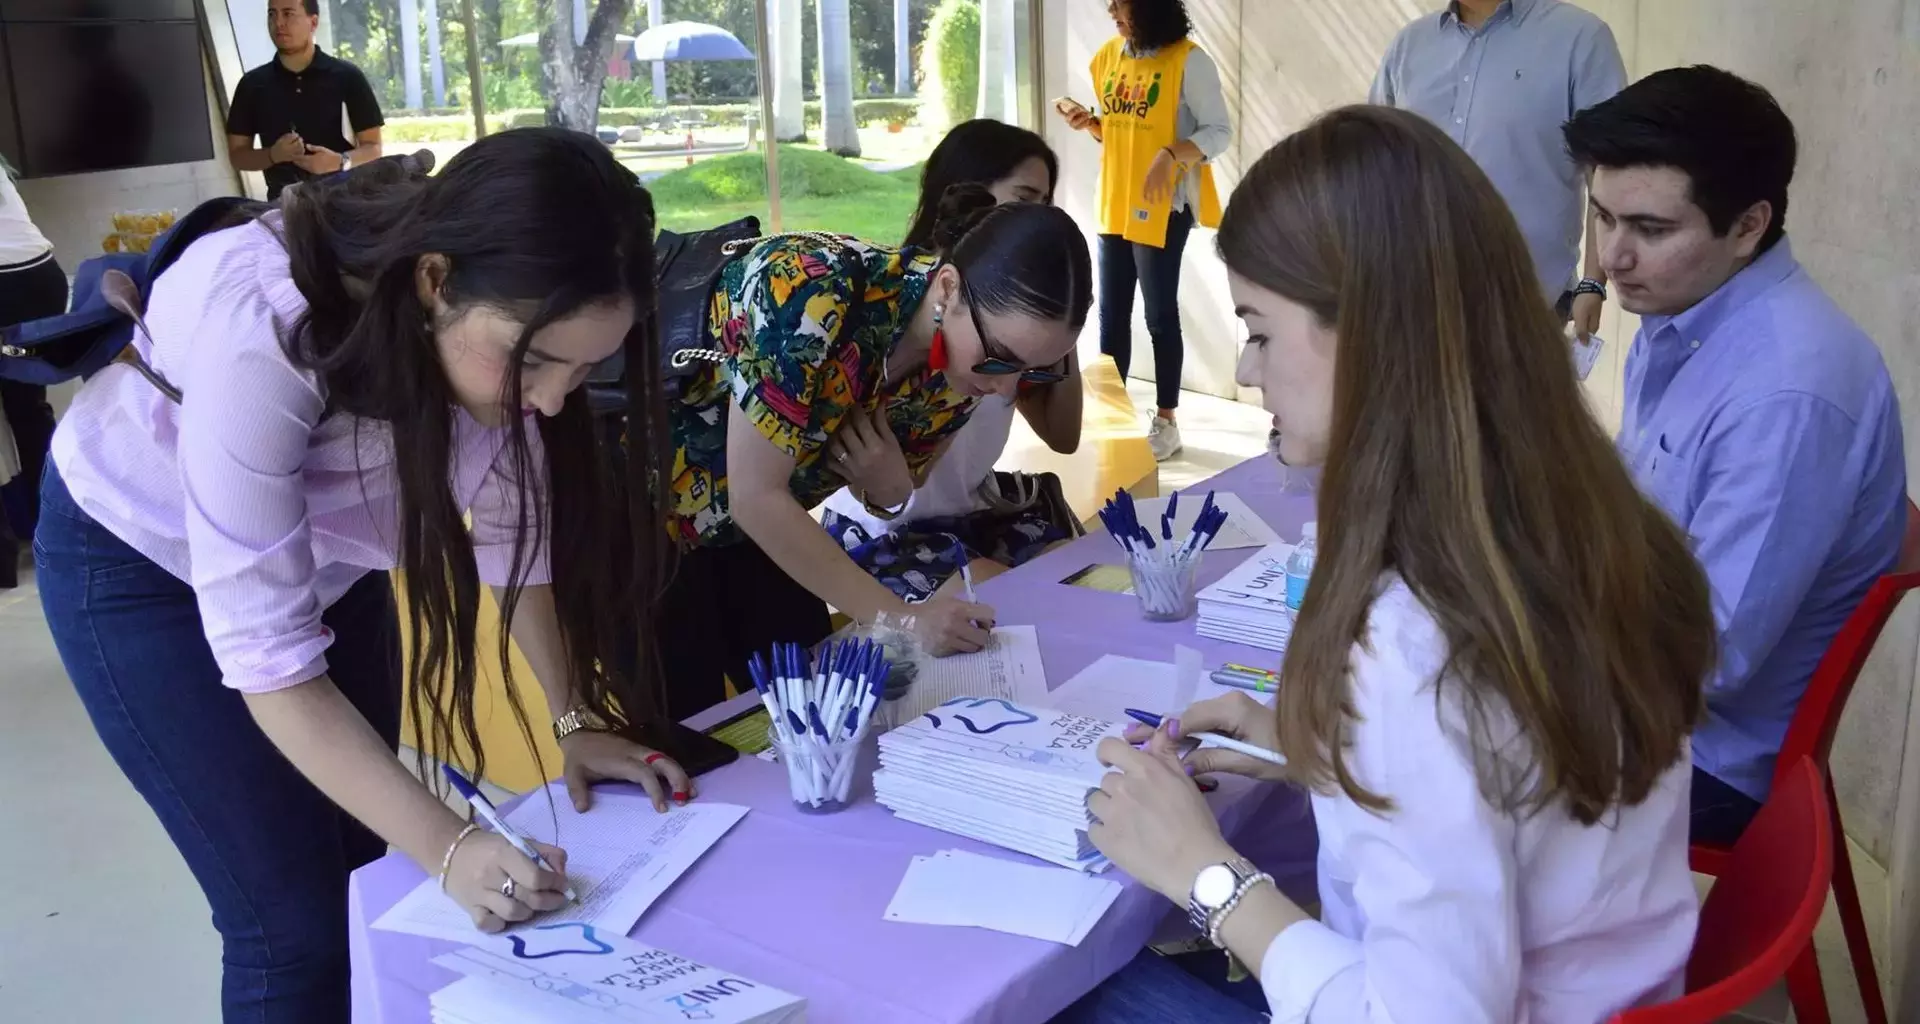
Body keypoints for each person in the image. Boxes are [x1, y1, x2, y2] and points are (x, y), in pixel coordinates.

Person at [1055, 106, 1715, 1023]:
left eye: (1259, 329)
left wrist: (1206, 876)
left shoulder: (1415, 638)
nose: (1247, 373)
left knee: (1070, 987)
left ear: (1364, 333)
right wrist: (1315, 748)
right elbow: (1502, 779)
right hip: (1600, 988)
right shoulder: (1579, 521)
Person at [35, 130, 692, 1021]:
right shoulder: (268, 328)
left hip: (326, 564)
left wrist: (571, 715)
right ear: (433, 280)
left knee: (367, 875)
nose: (548, 401)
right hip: (139, 564)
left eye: (583, 369)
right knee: (292, 929)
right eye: (535, 361)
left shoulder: (501, 340)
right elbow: (271, 660)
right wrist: (452, 845)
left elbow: (512, 540)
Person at [1564, 66, 1907, 845]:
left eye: (1650, 230)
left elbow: (1702, 661)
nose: (1613, 258)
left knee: (1403, 759)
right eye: (1602, 216)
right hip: (1639, 683)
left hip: (1703, 758)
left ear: (1748, 226)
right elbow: (1628, 525)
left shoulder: (1788, 393)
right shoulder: (1685, 314)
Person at [657, 187, 1093, 719]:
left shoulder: (959, 372)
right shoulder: (809, 289)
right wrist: (904, 618)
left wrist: (891, 492)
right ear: (949, 288)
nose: (1007, 390)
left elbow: (888, 489)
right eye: (1001, 359)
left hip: (756, 537)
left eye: (1037, 371)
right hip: (646, 531)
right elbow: (756, 496)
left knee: (815, 719)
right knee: (688, 740)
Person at [820, 120, 1082, 602]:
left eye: (1046, 205)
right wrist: (891, 488)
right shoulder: (900, 316)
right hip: (887, 531)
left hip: (971, 517)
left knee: (1080, 575)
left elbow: (1064, 436)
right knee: (1003, 594)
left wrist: (1057, 315)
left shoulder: (1006, 325)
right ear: (962, 192)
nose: (1037, 220)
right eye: (1024, 199)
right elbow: (855, 474)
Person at [1370, 0, 1625, 339]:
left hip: (1525, 311)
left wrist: (1594, 282)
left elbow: (1609, 169)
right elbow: (1371, 165)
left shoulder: (1579, 38)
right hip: (1412, 304)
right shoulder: (1410, 46)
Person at [1058, 0, 1229, 462]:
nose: (1111, 9)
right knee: (1112, 317)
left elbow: (1219, 131)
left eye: (1121, 2)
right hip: (1115, 202)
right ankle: (1114, 419)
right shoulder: (1109, 57)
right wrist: (1092, 123)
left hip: (1163, 207)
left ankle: (1167, 422)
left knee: (1158, 316)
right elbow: (1119, 128)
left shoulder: (1188, 62)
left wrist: (1172, 154)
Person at [227, 0, 384, 201]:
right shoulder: (252, 85)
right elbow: (238, 156)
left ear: (313, 22)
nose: (279, 23)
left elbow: (374, 147)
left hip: (346, 206)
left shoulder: (348, 77)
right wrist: (272, 155)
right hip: (283, 211)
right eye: (272, 14)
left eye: (288, 14)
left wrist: (339, 162)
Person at [0, 159, 66, 589]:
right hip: (39, 281)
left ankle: (39, 527)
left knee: (21, 413)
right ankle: (52, 524)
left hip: (10, 289)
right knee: (27, 410)